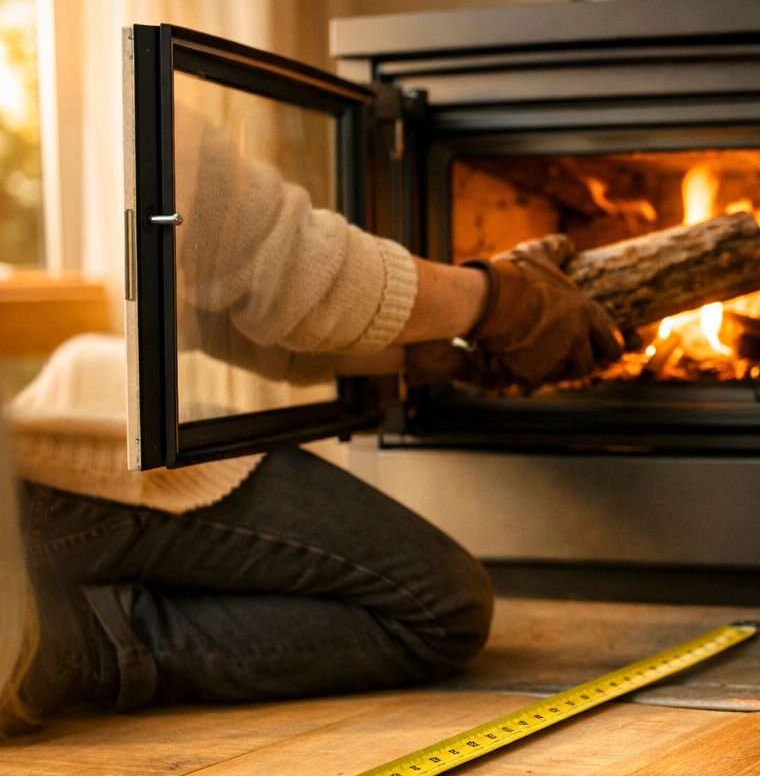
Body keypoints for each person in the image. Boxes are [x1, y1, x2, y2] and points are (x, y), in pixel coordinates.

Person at [0, 108, 622, 736]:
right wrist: (496, 299)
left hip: (22, 468)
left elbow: (203, 288)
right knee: (440, 608)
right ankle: (63, 644)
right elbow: (268, 254)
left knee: (115, 375)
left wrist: (427, 348)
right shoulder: (117, 100)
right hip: (20, 497)